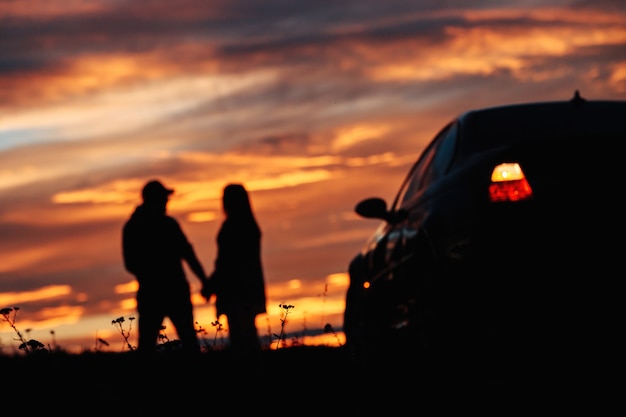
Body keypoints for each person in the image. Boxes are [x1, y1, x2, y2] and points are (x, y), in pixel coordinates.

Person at [122, 179, 208, 354]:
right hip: (161, 292)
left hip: (162, 291)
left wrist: (204, 280)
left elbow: (187, 253)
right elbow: (188, 254)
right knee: (153, 344)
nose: (167, 202)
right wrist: (204, 280)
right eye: (164, 198)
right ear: (155, 199)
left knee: (179, 341)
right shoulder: (142, 226)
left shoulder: (137, 226)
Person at [203, 183, 267, 359]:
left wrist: (211, 284)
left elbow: (227, 262)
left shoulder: (235, 226)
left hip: (238, 291)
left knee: (243, 339)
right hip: (245, 289)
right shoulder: (247, 225)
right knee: (245, 337)